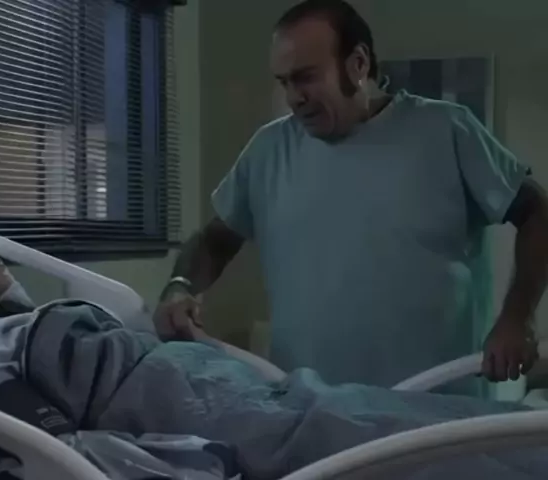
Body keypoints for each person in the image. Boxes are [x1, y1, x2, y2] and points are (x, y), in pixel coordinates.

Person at [0, 212, 548, 480]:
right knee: (362, 431)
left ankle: (528, 434)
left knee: (365, 409)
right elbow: (48, 444)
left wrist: (191, 341)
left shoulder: (14, 323)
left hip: (196, 378)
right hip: (178, 403)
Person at [154, 0, 548, 395]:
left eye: (306, 78)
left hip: (438, 408)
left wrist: (519, 316)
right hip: (313, 411)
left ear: (358, 64)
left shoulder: (448, 129)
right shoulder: (268, 151)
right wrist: (181, 284)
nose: (294, 97)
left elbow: (538, 212)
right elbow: (215, 240)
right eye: (284, 82)